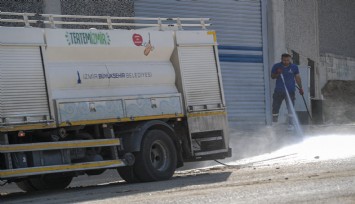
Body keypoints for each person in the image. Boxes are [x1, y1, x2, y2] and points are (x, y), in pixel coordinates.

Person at [271, 53, 303, 129]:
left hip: (290, 91)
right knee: (275, 107)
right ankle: (274, 123)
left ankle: (290, 125)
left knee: (290, 108)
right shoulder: (276, 66)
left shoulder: (294, 67)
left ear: (290, 59)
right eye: (284, 60)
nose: (286, 61)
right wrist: (278, 73)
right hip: (278, 91)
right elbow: (272, 76)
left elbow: (297, 77)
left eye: (287, 60)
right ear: (281, 59)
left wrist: (301, 88)